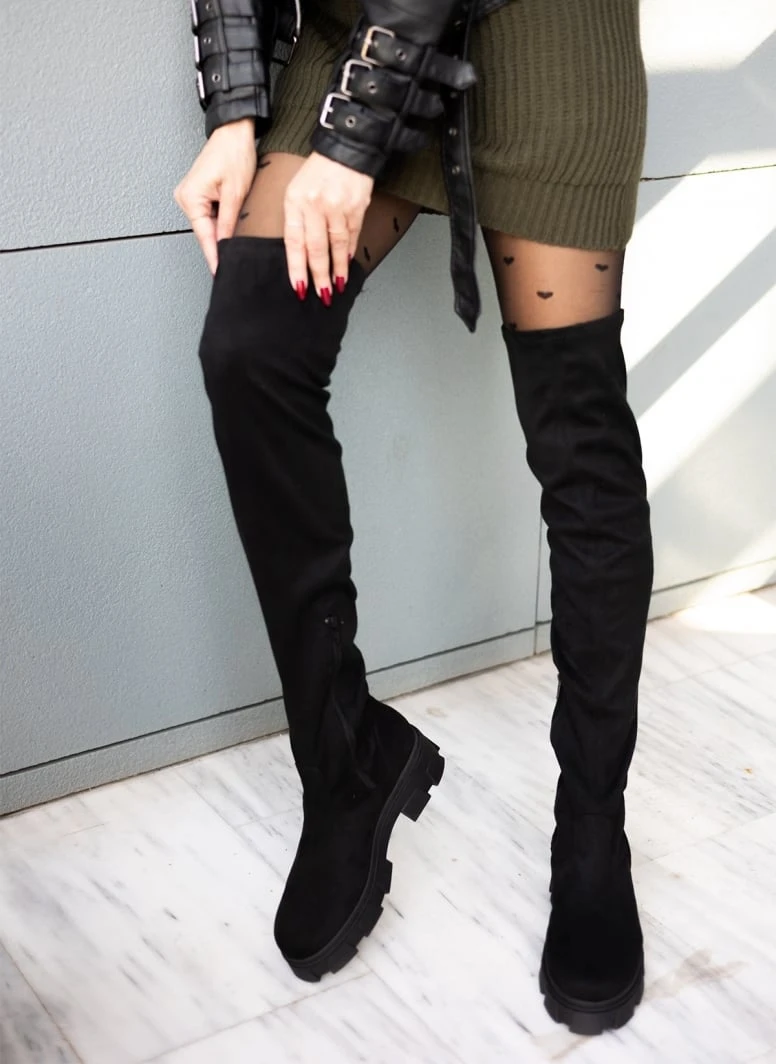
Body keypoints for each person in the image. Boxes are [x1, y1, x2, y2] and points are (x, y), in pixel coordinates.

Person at [174, 0, 654, 1037]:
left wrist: (352, 150)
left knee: (578, 434)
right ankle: (346, 764)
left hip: (543, 35)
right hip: (350, 35)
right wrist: (235, 109)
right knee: (252, 350)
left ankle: (592, 826)